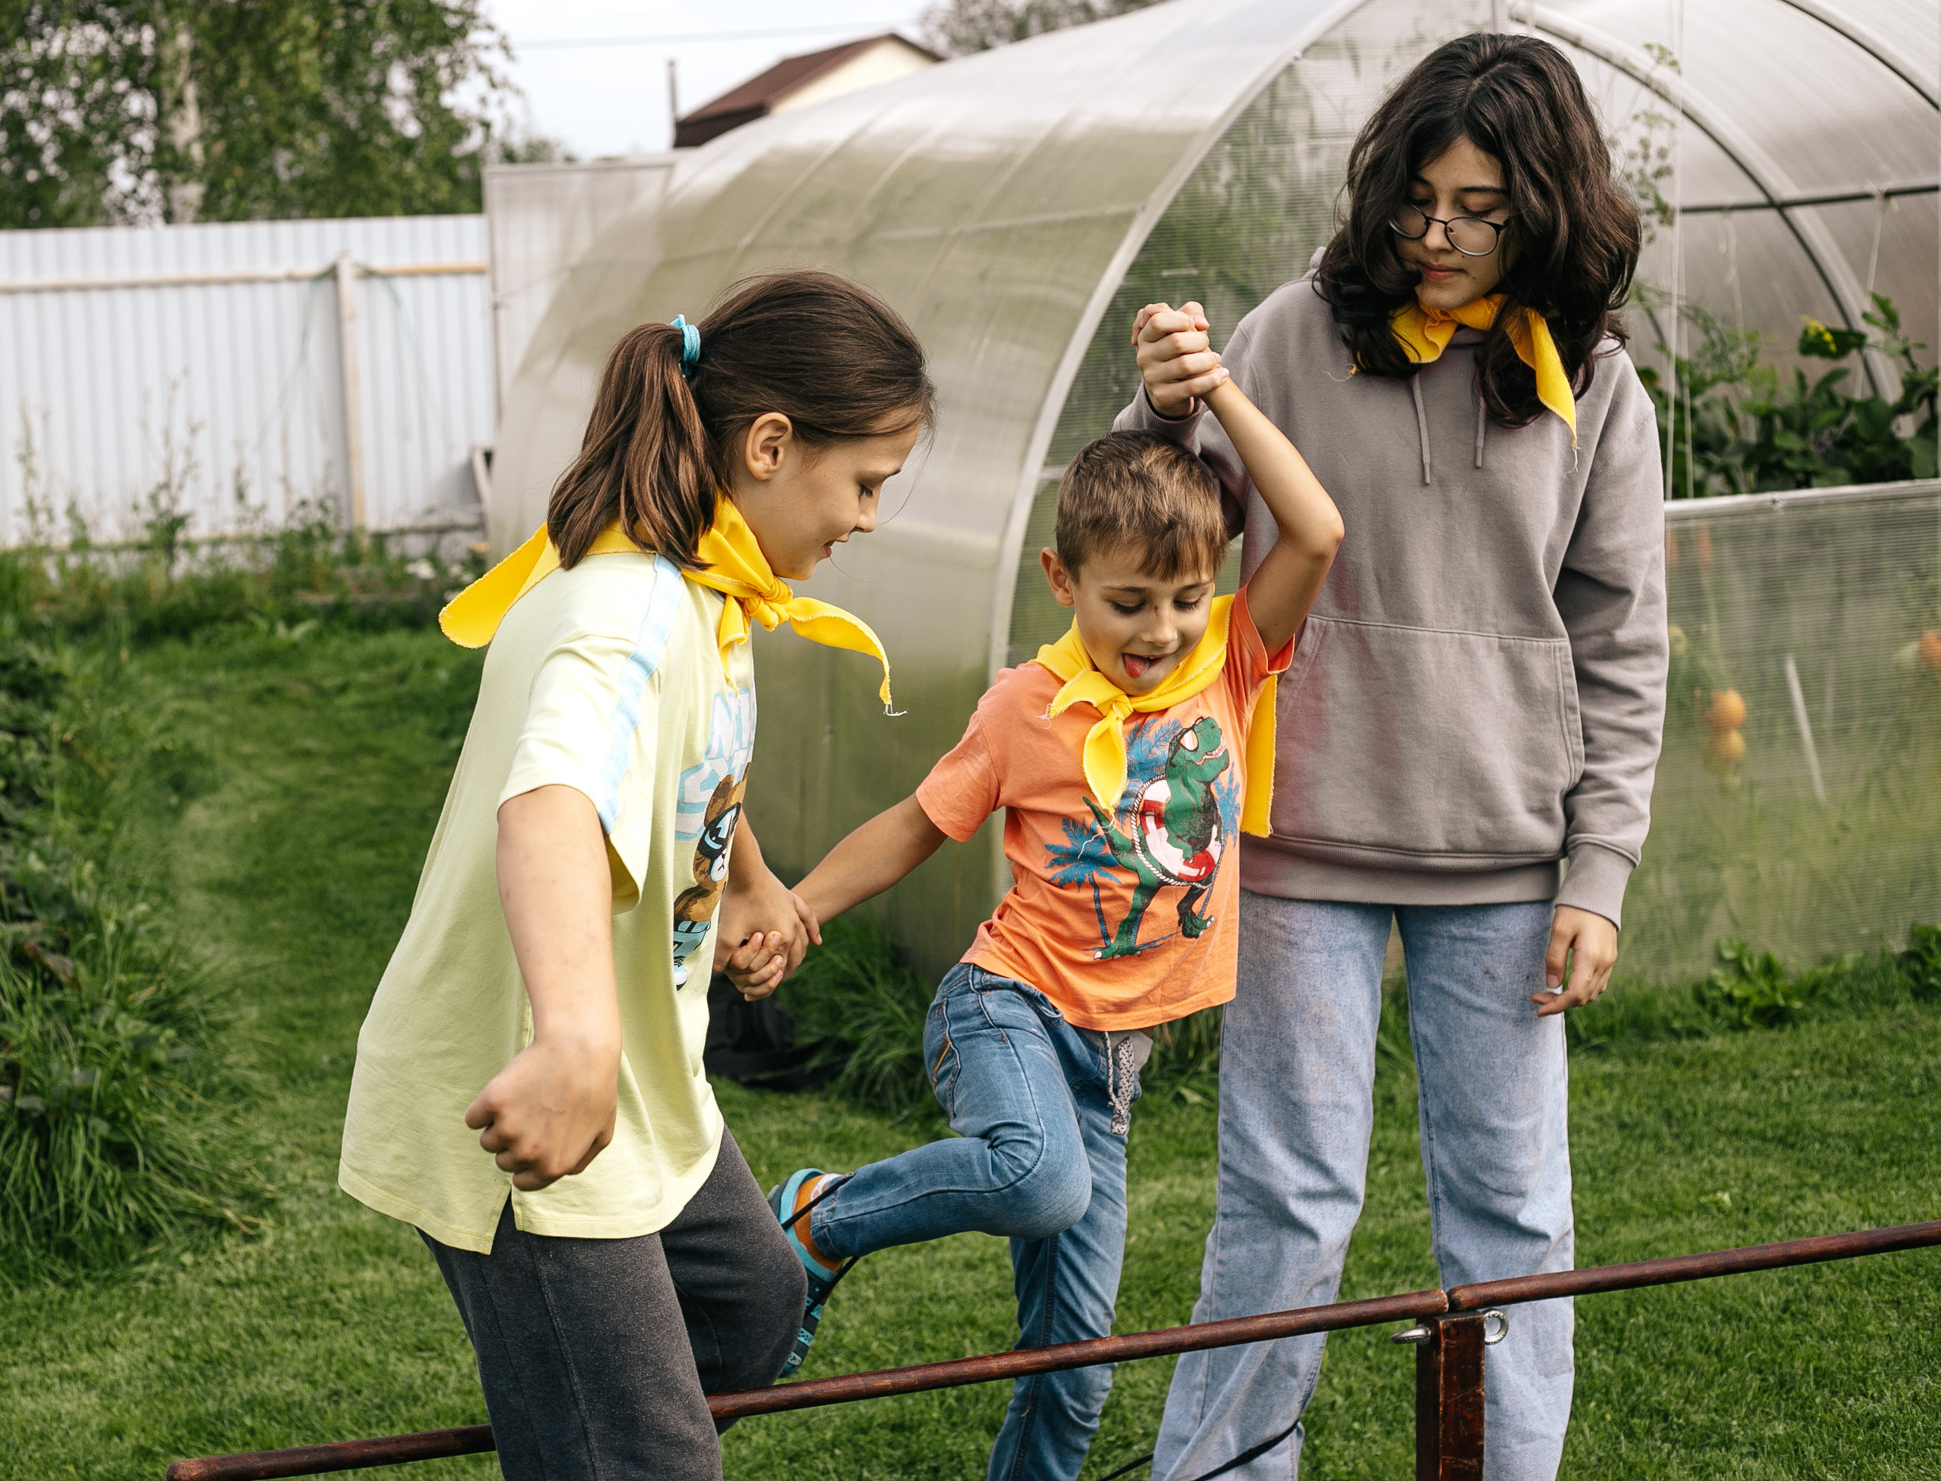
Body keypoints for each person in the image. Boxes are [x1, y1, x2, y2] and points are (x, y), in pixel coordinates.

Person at [1116, 33, 1667, 1481]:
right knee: (1287, 1204)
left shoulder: (1598, 384)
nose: (1437, 235)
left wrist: (1596, 872)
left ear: (1546, 203)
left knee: (1514, 1216)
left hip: (1508, 861)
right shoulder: (1293, 333)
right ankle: (1226, 1474)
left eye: (1481, 207)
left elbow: (1618, 644)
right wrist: (1168, 400)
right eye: (1418, 199)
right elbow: (1156, 523)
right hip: (1300, 844)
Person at [336, 270, 935, 1481]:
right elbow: (550, 805)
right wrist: (570, 1039)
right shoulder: (620, 612)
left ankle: (589, 1420)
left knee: (755, 1306)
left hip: (649, 1082)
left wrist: (754, 876)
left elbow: (681, 763)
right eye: (865, 482)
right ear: (771, 445)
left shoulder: (701, 593)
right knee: (651, 1463)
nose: (869, 517)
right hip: (534, 1105)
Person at [757, 364, 1343, 1481]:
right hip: (1007, 1006)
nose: (1161, 629)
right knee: (1036, 1177)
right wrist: (797, 908)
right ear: (1061, 579)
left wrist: (1215, 393)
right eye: (1128, 601)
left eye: (1183, 598)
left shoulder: (1230, 662)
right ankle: (819, 1219)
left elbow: (1314, 530)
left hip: (1110, 1070)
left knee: (1075, 1371)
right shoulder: (1026, 704)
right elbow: (918, 823)